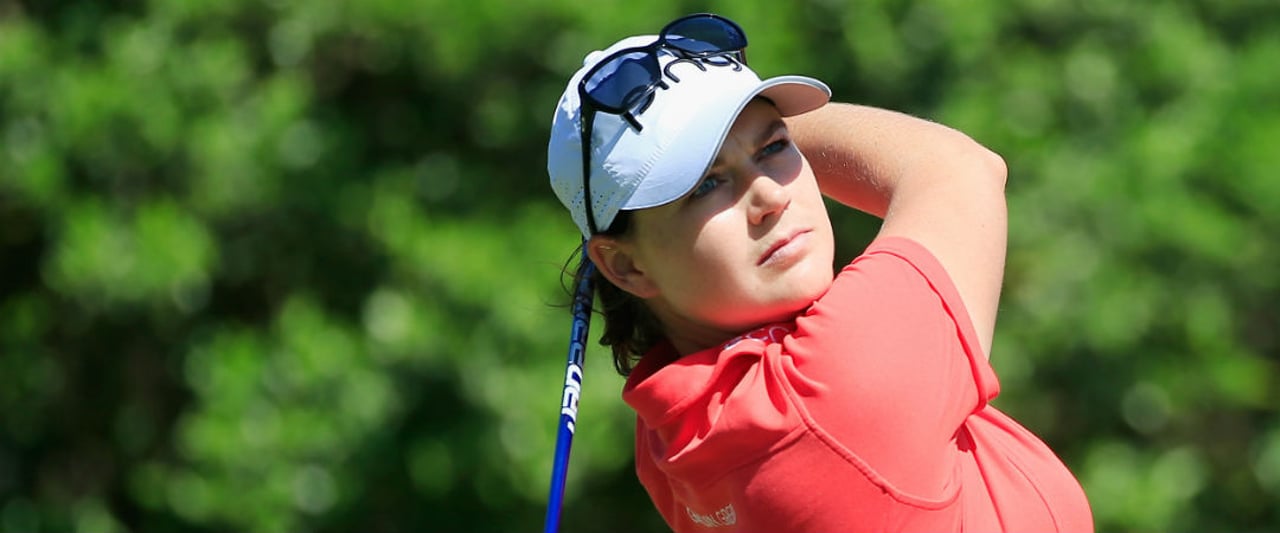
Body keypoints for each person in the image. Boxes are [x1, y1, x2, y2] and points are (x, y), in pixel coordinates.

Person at [546, 13, 1093, 532]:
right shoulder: (828, 388)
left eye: (774, 147)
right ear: (624, 264)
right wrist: (755, 124)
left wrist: (721, 123)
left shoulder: (669, 436)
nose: (768, 196)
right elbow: (957, 166)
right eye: (706, 185)